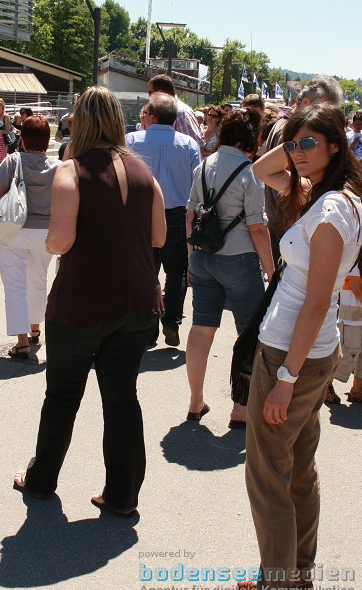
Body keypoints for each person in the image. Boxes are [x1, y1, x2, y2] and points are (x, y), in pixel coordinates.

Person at [12, 86, 167, 516]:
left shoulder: (70, 170)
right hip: (136, 299)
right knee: (122, 399)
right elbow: (159, 238)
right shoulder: (144, 173)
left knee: (62, 397)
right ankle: (122, 494)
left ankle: (42, 479)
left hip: (82, 301)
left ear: (79, 123)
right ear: (118, 121)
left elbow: (61, 242)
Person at [244, 103, 362, 590]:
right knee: (296, 467)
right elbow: (261, 169)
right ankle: (295, 578)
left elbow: (319, 300)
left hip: (291, 352)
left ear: (336, 147)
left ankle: (279, 584)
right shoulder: (321, 196)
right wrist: (299, 139)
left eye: (309, 144)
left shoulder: (331, 207)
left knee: (268, 474)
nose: (296, 153)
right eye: (293, 144)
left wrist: (286, 375)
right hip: (305, 350)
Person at [185, 107, 274, 429]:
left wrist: (190, 256)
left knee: (201, 328)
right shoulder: (248, 172)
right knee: (249, 334)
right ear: (250, 138)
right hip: (239, 259)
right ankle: (240, 406)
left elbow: (191, 215)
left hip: (203, 257)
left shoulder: (204, 165)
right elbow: (258, 227)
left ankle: (196, 401)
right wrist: (271, 269)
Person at [126, 92, 201, 347]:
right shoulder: (189, 145)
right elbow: (196, 186)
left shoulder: (132, 141)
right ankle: (172, 321)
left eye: (145, 113)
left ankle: (148, 328)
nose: (143, 118)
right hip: (177, 214)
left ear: (153, 116)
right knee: (176, 270)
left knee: (147, 270)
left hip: (142, 214)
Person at [0, 115, 60, 359]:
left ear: (22, 138)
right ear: (47, 138)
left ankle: (21, 343)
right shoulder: (57, 166)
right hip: (46, 233)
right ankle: (34, 328)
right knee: (38, 280)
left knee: (15, 286)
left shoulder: (13, 161)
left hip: (14, 230)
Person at [257, 76, 344, 260]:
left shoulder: (282, 125)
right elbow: (265, 168)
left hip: (282, 221)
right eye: (323, 110)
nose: (327, 119)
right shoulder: (290, 130)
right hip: (290, 224)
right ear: (306, 103)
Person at [326, 223, 362, 405]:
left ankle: (356, 390)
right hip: (350, 318)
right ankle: (326, 386)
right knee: (347, 355)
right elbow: (356, 289)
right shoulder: (353, 262)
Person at [148, 74, 204, 148]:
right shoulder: (168, 110)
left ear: (160, 92)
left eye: (150, 93)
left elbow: (195, 147)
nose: (149, 97)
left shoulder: (182, 113)